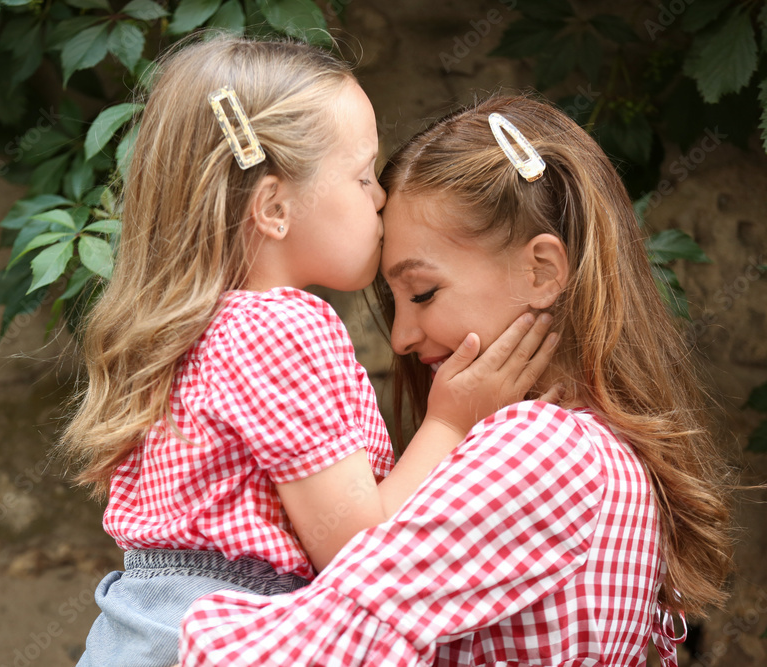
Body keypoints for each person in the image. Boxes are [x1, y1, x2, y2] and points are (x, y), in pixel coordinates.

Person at [177, 95, 733, 666]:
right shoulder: (600, 454)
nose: (400, 339)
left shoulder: (542, 450)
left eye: (422, 293)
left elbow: (301, 650)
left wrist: (184, 621)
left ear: (541, 270)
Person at [61, 38, 557, 667]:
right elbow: (360, 553)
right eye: (361, 176)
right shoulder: (281, 327)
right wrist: (451, 420)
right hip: (228, 626)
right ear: (273, 207)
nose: (379, 198)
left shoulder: (192, 331)